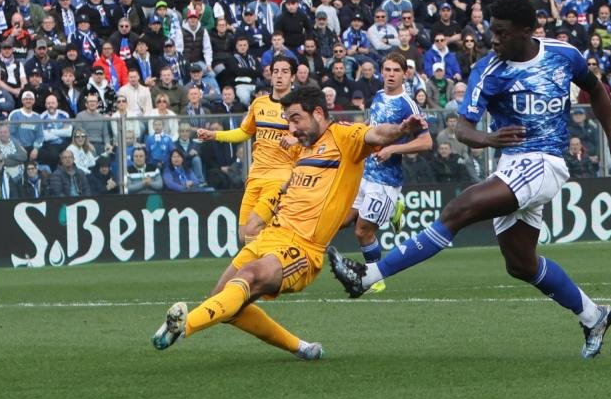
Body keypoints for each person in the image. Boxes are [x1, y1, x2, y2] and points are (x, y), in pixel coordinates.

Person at [327, 0, 611, 360]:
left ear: (526, 31)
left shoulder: (563, 54)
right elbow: (463, 129)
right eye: (492, 31)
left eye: (501, 33)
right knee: (520, 263)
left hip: (546, 160)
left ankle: (368, 276)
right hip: (511, 165)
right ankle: (593, 315)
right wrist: (487, 138)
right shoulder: (489, 70)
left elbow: (597, 91)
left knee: (460, 208)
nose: (494, 39)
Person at [151, 85, 423, 359]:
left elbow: (377, 133)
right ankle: (301, 348)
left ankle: (184, 326)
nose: (291, 129)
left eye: (295, 119)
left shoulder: (344, 137)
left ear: (317, 113)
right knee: (223, 302)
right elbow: (289, 188)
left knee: (248, 278)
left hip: (303, 248)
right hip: (272, 236)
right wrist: (265, 212)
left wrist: (401, 130)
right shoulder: (302, 150)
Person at [345, 52, 432, 292]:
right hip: (364, 173)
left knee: (362, 231)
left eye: (396, 70)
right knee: (342, 220)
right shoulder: (378, 95)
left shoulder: (408, 104)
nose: (391, 74)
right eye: (387, 70)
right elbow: (373, 128)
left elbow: (426, 143)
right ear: (381, 72)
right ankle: (394, 210)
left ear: (405, 74)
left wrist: (393, 148)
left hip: (384, 181)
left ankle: (375, 277)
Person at [195, 56, 296, 242]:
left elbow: (314, 136)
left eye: (285, 71)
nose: (279, 76)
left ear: (293, 77)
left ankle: (267, 268)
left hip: (280, 178)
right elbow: (244, 132)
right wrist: (215, 135)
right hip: (255, 176)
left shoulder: (299, 106)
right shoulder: (259, 104)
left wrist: (296, 139)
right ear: (271, 76)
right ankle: (273, 265)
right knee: (244, 236)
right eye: (276, 71)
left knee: (253, 228)